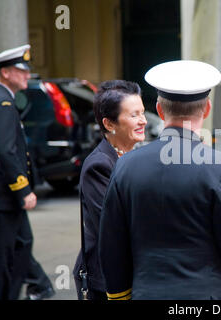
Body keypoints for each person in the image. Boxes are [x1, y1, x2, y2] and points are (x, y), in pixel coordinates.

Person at [99, 60, 221, 300]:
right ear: (207, 109)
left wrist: (120, 296)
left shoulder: (126, 165)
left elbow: (111, 246)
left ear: (158, 109)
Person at [73, 80, 147, 300]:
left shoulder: (134, 156)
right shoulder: (99, 165)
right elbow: (112, 227)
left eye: (142, 112)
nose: (143, 120)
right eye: (134, 115)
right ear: (109, 123)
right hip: (108, 279)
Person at [0, 44, 38, 299]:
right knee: (2, 257)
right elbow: (6, 151)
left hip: (3, 196)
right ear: (6, 73)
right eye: (22, 70)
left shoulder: (0, 98)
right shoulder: (3, 102)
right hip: (4, 196)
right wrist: (24, 190)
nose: (27, 75)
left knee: (21, 245)